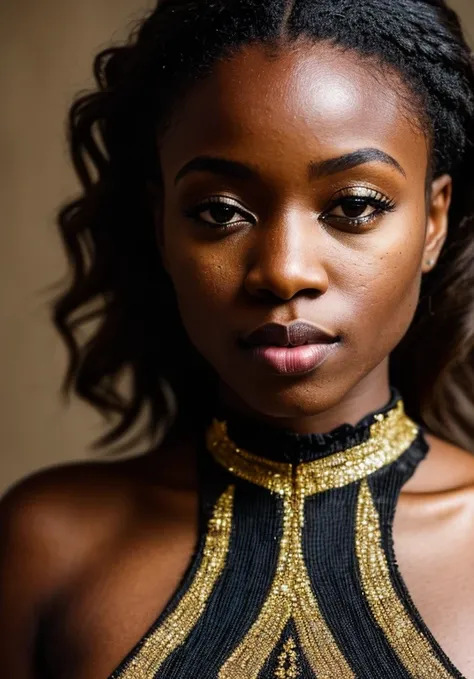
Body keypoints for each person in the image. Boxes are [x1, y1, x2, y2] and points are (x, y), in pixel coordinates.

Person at [1, 0, 474, 676]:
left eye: (354, 207)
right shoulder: (47, 546)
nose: (284, 270)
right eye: (220, 212)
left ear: (433, 221)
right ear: (162, 224)